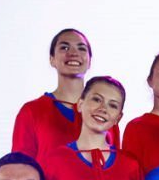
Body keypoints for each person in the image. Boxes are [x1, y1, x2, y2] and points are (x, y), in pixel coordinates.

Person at [12, 29, 121, 158]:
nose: (74, 53)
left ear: (90, 61)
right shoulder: (32, 111)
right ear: (52, 59)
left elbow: (115, 163)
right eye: (64, 47)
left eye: (81, 48)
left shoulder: (106, 112)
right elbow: (20, 165)